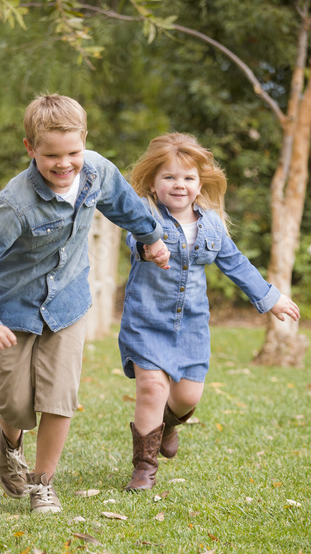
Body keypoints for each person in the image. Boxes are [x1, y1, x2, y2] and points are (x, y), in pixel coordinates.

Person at [0, 94, 170, 514]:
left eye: (73, 152)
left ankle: (43, 484)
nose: (64, 164)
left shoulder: (96, 173)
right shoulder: (13, 204)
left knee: (59, 397)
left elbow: (125, 206)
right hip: (13, 310)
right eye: (51, 155)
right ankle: (11, 442)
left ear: (84, 142)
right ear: (30, 149)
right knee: (16, 405)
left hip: (68, 303)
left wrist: (151, 238)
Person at [118, 132, 300, 491]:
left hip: (192, 324)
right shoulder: (145, 216)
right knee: (152, 387)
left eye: (188, 178)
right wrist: (149, 248)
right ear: (153, 184)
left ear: (200, 184)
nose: (179, 185)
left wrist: (271, 298)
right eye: (169, 177)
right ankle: (144, 467)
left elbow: (236, 264)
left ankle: (167, 426)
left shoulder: (212, 225)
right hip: (147, 320)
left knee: (187, 398)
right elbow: (133, 241)